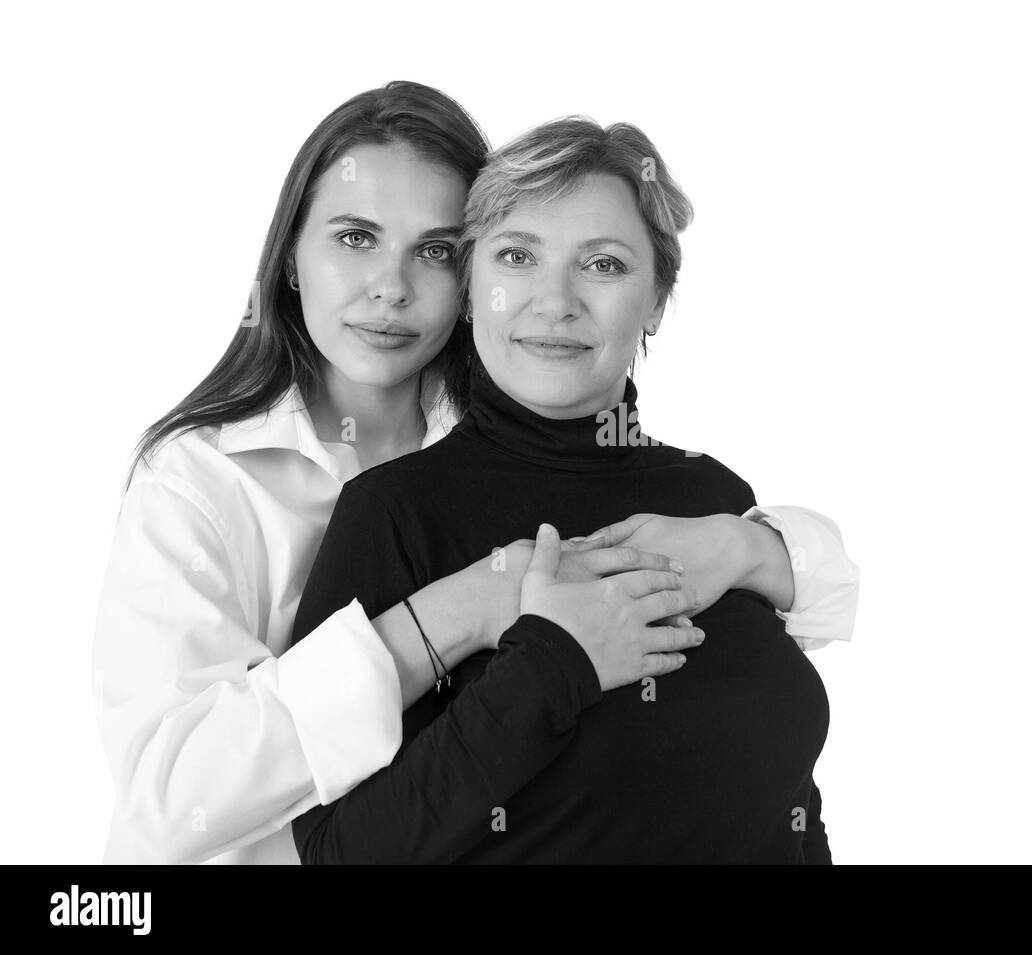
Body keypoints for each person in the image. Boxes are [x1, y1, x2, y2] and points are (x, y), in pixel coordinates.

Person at [92, 84, 859, 865]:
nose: (391, 286)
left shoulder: (585, 450)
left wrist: (746, 547)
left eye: (433, 249)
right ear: (290, 252)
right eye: (355, 236)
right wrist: (472, 612)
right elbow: (179, 798)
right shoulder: (206, 485)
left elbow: (781, 734)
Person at [289, 116, 844, 864]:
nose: (555, 301)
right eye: (517, 256)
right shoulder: (394, 512)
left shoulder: (714, 494)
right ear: (470, 287)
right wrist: (555, 665)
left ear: (655, 299)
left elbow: (782, 792)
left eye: (604, 265)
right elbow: (339, 853)